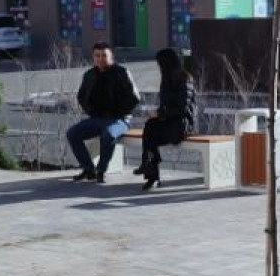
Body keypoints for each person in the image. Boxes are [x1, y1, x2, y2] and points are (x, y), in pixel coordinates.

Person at [64, 42, 140, 182]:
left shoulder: (122, 72)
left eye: (104, 55)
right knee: (72, 133)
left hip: (119, 119)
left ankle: (101, 170)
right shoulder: (89, 75)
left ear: (111, 56)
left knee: (108, 134)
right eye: (97, 55)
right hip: (97, 118)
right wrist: (91, 111)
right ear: (93, 57)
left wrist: (118, 112)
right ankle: (89, 169)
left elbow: (134, 98)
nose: (100, 59)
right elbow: (81, 96)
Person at [136, 48, 191, 191]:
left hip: (181, 124)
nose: (158, 67)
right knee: (150, 127)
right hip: (169, 121)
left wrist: (160, 114)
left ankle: (150, 171)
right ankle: (149, 166)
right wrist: (156, 113)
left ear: (166, 63)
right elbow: (165, 105)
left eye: (159, 64)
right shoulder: (166, 79)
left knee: (151, 134)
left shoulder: (185, 79)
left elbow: (183, 109)